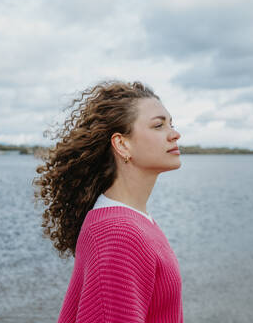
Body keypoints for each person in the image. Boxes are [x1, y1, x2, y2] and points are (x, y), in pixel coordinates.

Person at [33, 80, 184, 322]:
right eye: (158, 125)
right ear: (122, 144)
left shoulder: (135, 221)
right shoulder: (119, 233)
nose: (175, 134)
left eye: (171, 124)